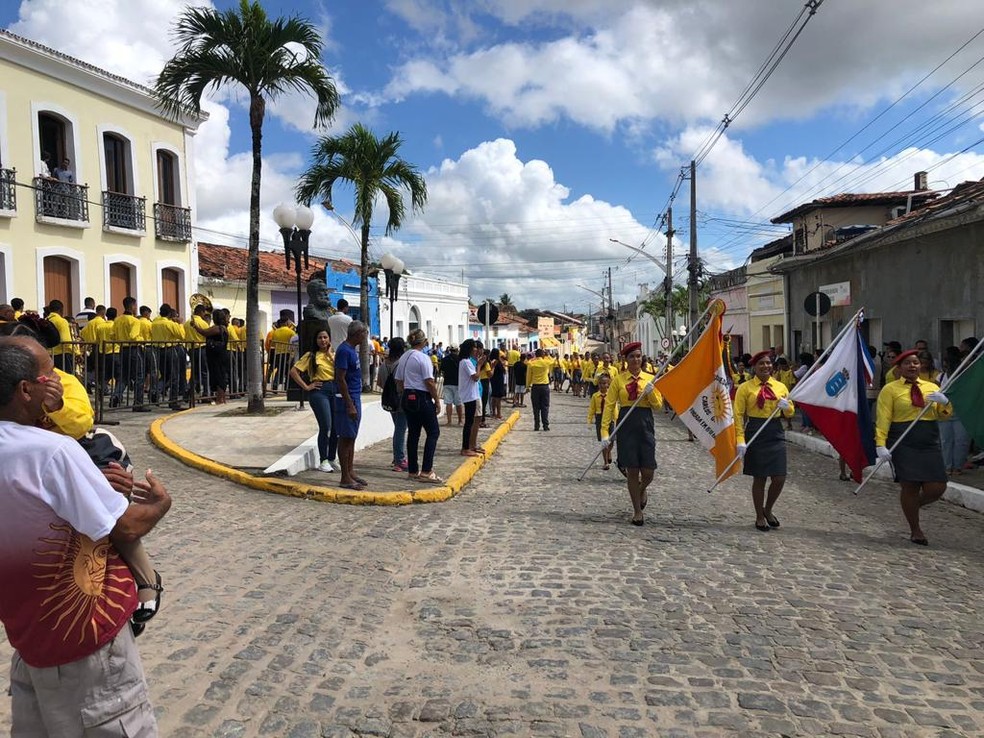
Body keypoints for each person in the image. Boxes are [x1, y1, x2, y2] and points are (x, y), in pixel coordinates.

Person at [0, 335, 171, 734]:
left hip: (29, 639)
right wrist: (160, 504)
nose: (56, 380)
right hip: (87, 643)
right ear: (25, 389)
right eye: (47, 377)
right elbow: (126, 526)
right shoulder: (50, 453)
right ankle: (148, 584)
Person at [876, 349, 953, 545]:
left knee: (937, 486)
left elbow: (944, 415)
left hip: (928, 439)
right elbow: (883, 417)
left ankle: (912, 505)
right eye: (907, 363)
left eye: (916, 363)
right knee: (910, 485)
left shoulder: (931, 387)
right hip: (902, 439)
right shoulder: (890, 389)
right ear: (899, 368)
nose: (912, 366)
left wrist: (945, 403)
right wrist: (880, 444)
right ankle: (915, 529)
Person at [599, 342, 663, 526]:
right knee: (632, 471)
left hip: (645, 424)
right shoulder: (618, 380)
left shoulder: (650, 378)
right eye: (632, 356)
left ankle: (642, 489)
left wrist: (651, 392)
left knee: (648, 471)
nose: (636, 359)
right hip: (626, 425)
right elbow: (609, 406)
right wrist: (605, 433)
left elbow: (658, 406)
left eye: (638, 356)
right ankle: (637, 511)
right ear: (626, 360)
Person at [734, 351, 796, 532]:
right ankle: (759, 516)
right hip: (755, 430)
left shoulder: (780, 387)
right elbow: (738, 414)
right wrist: (740, 439)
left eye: (768, 363)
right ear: (754, 367)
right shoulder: (745, 388)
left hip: (775, 431)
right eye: (761, 363)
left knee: (779, 477)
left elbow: (790, 412)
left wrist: (787, 407)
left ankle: (768, 509)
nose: (765, 366)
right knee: (759, 477)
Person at [395, 329, 443, 483]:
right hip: (421, 397)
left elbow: (399, 381)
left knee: (413, 434)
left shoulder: (404, 357)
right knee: (433, 432)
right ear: (423, 342)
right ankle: (427, 470)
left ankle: (413, 470)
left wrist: (405, 392)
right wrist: (436, 400)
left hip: (407, 396)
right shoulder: (423, 358)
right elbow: (429, 381)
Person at [290, 328, 338, 473]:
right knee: (326, 426)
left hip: (335, 390)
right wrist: (306, 386)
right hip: (319, 391)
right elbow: (294, 372)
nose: (323, 340)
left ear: (329, 339)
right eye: (320, 338)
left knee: (336, 428)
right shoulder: (310, 356)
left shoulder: (334, 355)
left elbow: (340, 371)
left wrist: (329, 355)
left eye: (325, 337)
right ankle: (323, 460)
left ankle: (332, 458)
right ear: (315, 340)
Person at [334, 320, 368, 490]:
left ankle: (350, 470)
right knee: (345, 438)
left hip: (355, 396)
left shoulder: (352, 350)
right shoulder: (344, 351)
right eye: (364, 333)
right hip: (347, 399)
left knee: (352, 436)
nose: (365, 337)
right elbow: (340, 378)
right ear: (357, 334)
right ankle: (344, 477)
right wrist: (349, 404)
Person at [938, 346, 972, 476]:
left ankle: (958, 466)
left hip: (961, 412)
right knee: (945, 441)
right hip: (944, 412)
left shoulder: (965, 377)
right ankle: (947, 466)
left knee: (961, 440)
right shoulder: (940, 377)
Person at [113, 297, 150, 411]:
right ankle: (138, 403)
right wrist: (142, 339)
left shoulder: (117, 320)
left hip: (122, 349)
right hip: (133, 349)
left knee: (124, 376)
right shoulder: (134, 321)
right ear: (132, 306)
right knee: (139, 376)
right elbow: (133, 336)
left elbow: (112, 335)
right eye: (135, 305)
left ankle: (116, 395)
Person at [378, 337, 408, 472]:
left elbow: (379, 383)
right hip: (401, 398)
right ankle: (399, 460)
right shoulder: (401, 364)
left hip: (390, 399)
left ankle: (398, 456)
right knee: (400, 430)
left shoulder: (384, 364)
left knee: (398, 428)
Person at [457, 339, 487, 457]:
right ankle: (465, 448)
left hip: (470, 395)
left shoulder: (465, 361)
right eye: (474, 347)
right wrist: (479, 365)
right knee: (469, 423)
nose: (476, 349)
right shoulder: (466, 362)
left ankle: (468, 446)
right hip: (469, 395)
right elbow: (475, 377)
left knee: (470, 421)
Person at [194, 308, 230, 404]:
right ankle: (222, 398)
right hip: (221, 354)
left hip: (217, 356)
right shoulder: (224, 327)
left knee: (218, 376)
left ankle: (220, 399)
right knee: (220, 376)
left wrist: (195, 326)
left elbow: (204, 332)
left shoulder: (217, 328)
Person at [588, 373, 614, 470]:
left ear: (608, 384)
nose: (603, 385)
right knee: (604, 441)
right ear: (598, 384)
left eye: (605, 383)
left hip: (610, 418)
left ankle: (609, 452)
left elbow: (615, 407)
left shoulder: (611, 395)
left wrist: (616, 418)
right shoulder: (595, 396)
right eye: (601, 383)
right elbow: (592, 409)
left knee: (612, 440)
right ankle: (606, 462)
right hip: (600, 418)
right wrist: (589, 420)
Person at [527, 348, 552, 431]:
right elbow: (552, 361)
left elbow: (528, 376)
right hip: (544, 387)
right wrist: (548, 355)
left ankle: (536, 425)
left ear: (535, 355)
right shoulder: (546, 362)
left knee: (536, 407)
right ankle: (545, 425)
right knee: (545, 407)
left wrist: (527, 386)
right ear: (543, 355)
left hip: (535, 387)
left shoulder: (531, 363)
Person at [440, 345, 463, 425]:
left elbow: (442, 370)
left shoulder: (445, 359)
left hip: (447, 382)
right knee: (458, 403)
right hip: (457, 383)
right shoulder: (460, 359)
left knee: (448, 403)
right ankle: (460, 421)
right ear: (457, 350)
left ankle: (449, 421)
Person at [489, 348, 506, 420]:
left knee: (494, 397)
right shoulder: (497, 361)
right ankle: (498, 414)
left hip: (493, 380)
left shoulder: (490, 361)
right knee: (498, 399)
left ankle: (493, 413)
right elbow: (503, 370)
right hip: (498, 381)